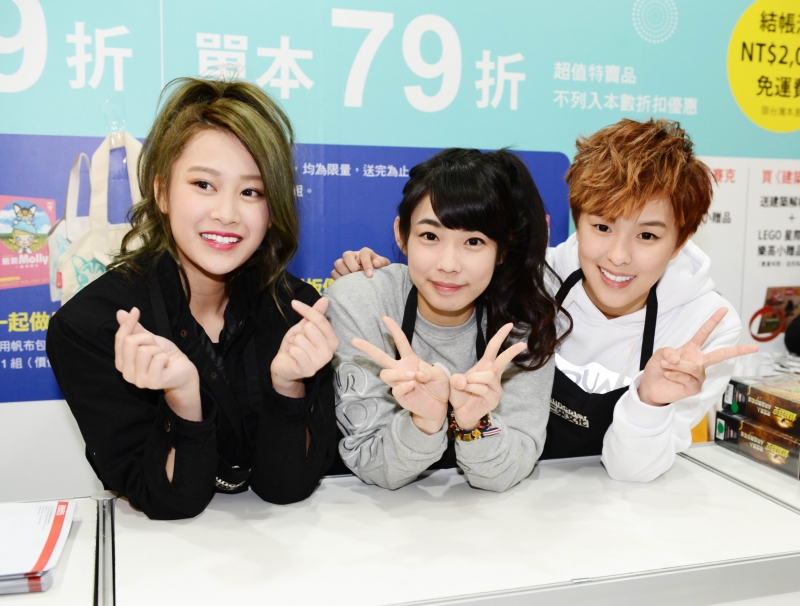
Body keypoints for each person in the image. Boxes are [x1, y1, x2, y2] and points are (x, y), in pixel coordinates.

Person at [331, 119, 757, 483]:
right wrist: (381, 278)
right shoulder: (536, 283)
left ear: (681, 241)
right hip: (513, 497)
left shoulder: (704, 328)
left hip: (602, 503)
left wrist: (651, 401)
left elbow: (634, 470)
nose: (618, 256)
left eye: (647, 235)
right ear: (578, 219)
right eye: (602, 227)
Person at [47, 78, 340, 520]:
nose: (227, 213)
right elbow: (169, 501)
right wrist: (183, 398)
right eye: (204, 184)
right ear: (162, 192)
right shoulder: (92, 328)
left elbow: (286, 488)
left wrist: (289, 385)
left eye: (251, 191)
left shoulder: (295, 310)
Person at [325, 148, 564, 491]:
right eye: (430, 236)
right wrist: (423, 422)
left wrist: (475, 424)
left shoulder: (523, 319)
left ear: (502, 251)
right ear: (401, 234)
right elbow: (371, 463)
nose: (448, 265)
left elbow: (509, 471)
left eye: (474, 241)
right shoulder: (362, 302)